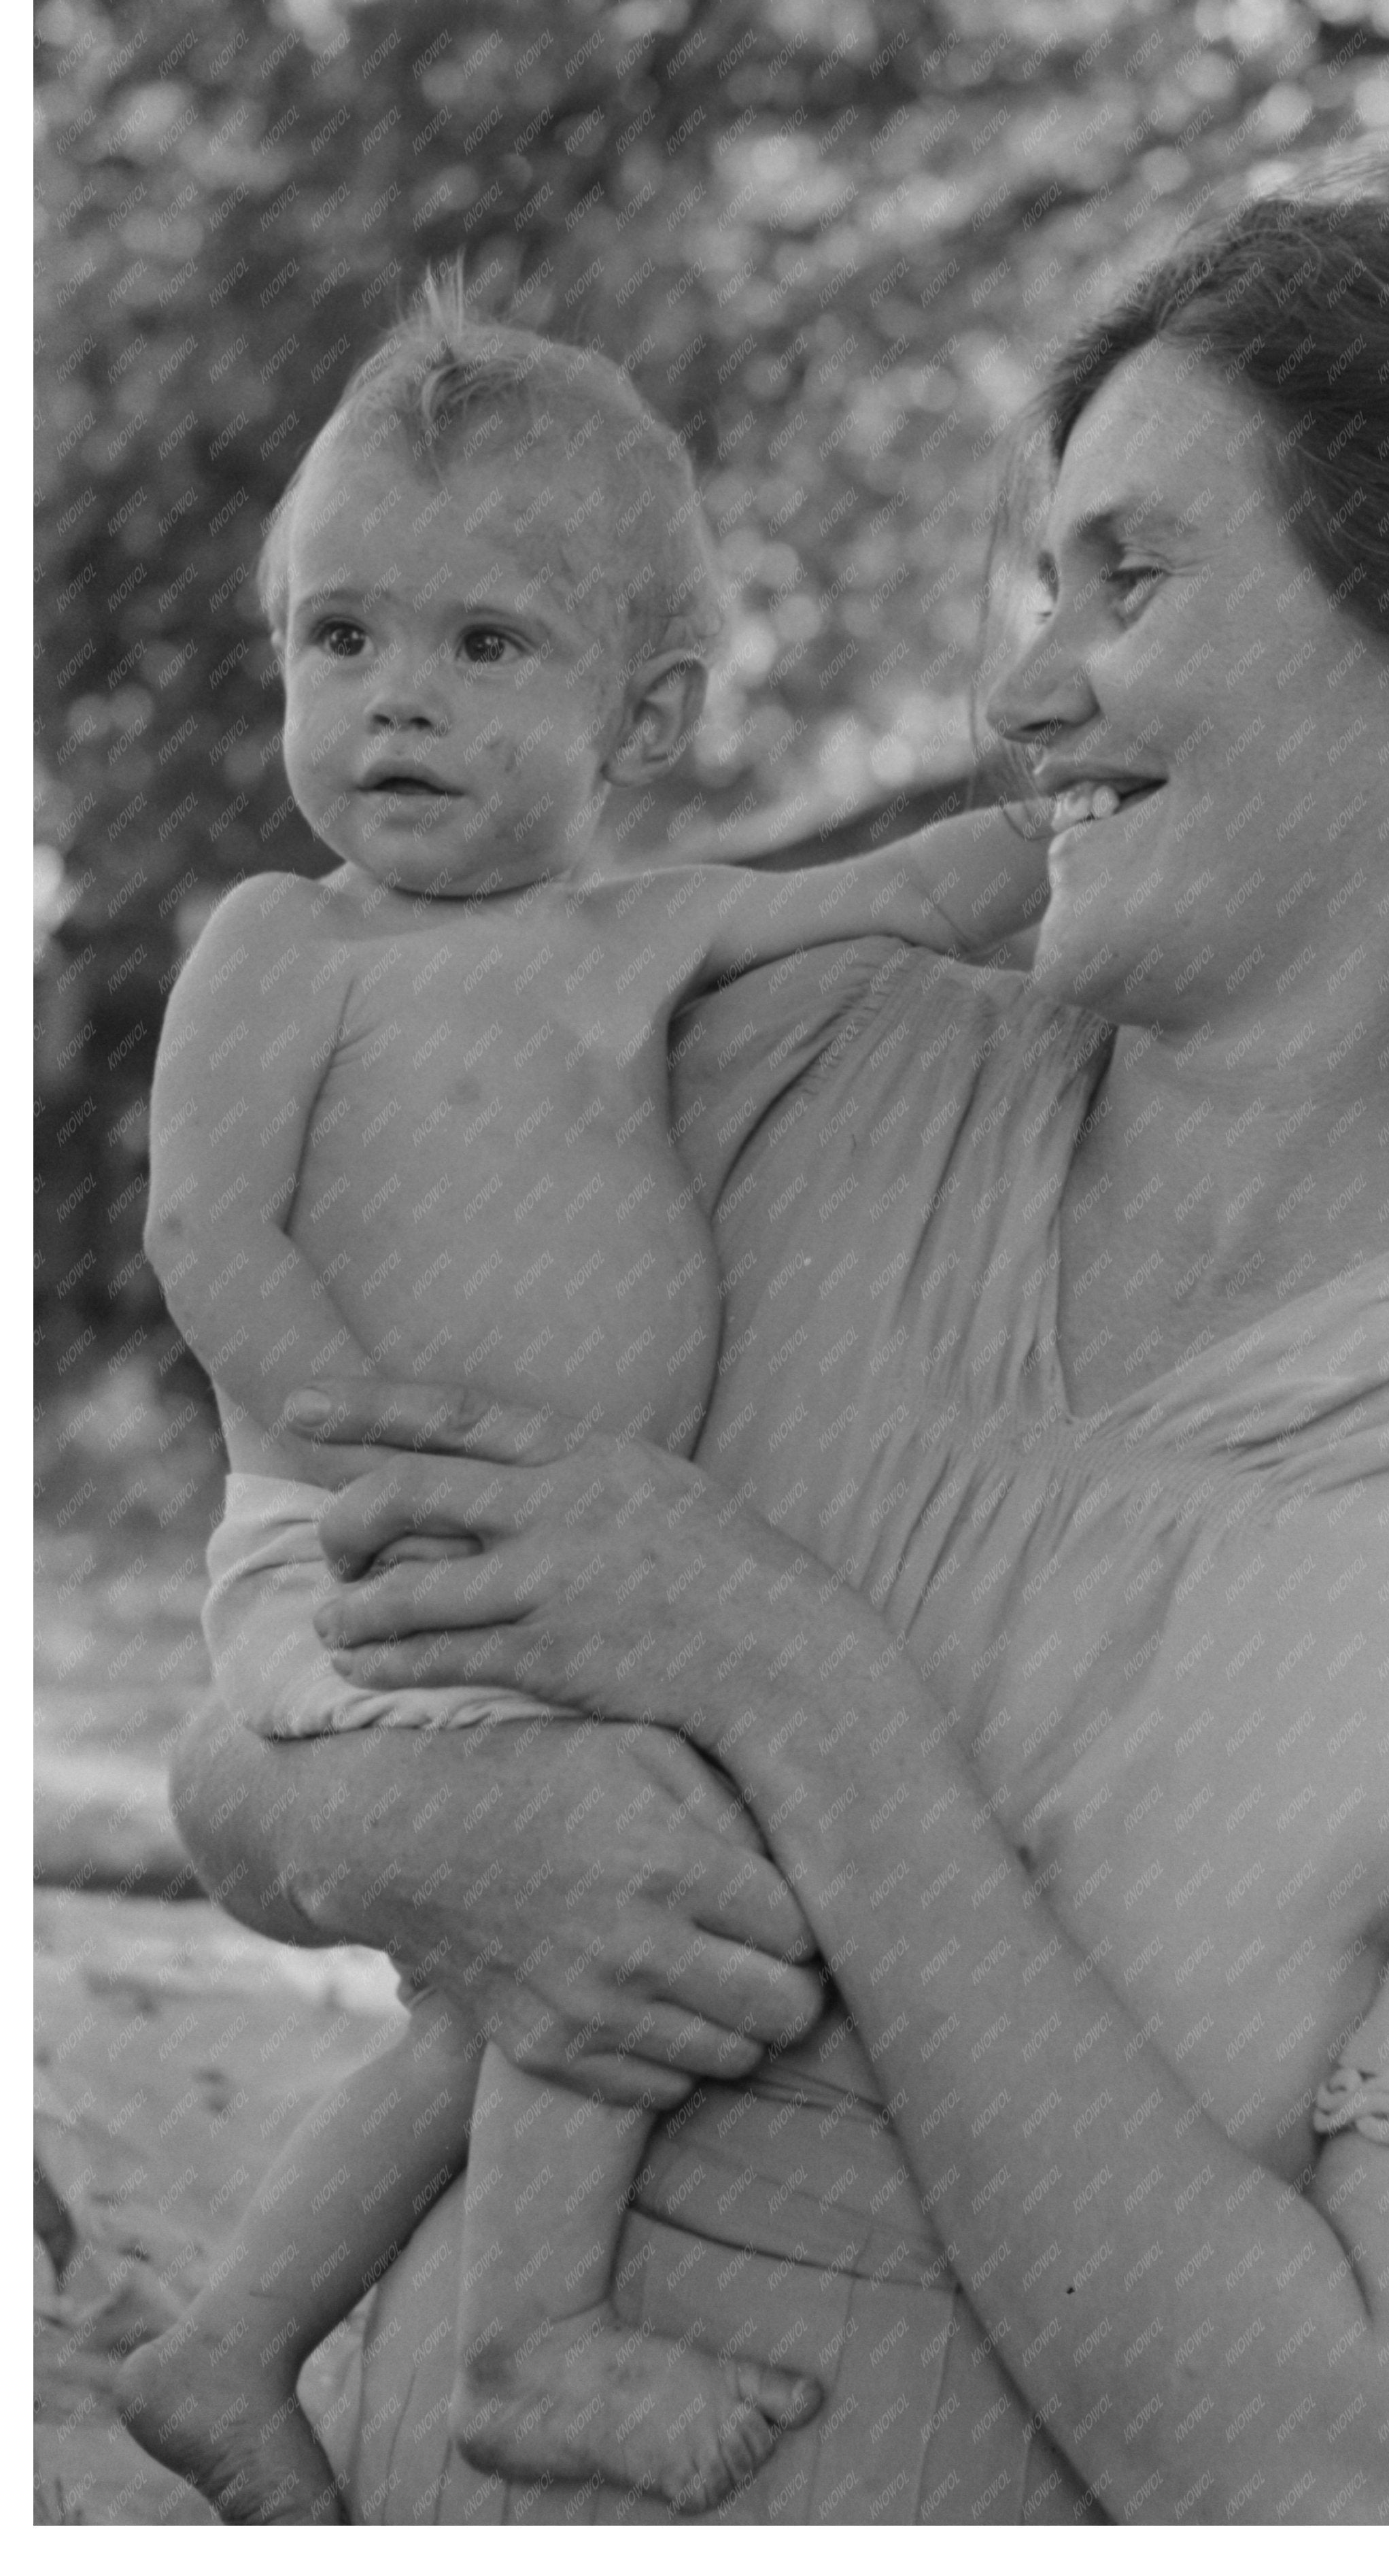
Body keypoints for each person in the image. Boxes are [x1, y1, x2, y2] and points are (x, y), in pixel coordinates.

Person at [168, 159, 1389, 2524]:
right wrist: (408, 1818)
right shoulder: (763, 1083)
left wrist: (802, 1693)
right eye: (1040, 584)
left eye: (1136, 576)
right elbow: (263, 1716)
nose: (1016, 693)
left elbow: (1351, 2491)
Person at [119, 278, 1048, 2524]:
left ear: (643, 723)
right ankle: (530, 2343)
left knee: (527, 1988)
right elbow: (204, 1236)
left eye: (482, 647)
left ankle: (234, 2341)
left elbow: (920, 890)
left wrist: (1095, 789)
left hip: (532, 1573)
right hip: (371, 1553)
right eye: (338, 641)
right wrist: (366, 1455)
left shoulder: (641, 938)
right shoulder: (290, 944)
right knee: (638, 1861)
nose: (393, 703)